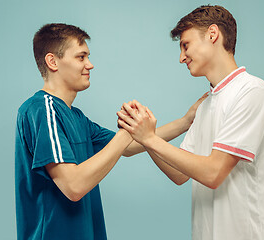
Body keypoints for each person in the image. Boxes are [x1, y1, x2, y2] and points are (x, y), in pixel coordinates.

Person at [15, 23, 204, 240]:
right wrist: (128, 130)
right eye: (81, 57)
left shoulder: (76, 117)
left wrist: (186, 121)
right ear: (52, 61)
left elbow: (129, 146)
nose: (90, 64)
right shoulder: (41, 110)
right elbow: (73, 186)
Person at [117, 5, 264, 240]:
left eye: (186, 45)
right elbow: (179, 174)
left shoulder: (252, 91)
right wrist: (143, 132)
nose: (181, 57)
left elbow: (213, 173)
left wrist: (150, 138)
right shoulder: (205, 105)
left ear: (212, 34)